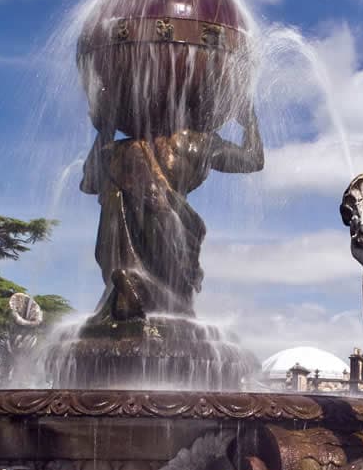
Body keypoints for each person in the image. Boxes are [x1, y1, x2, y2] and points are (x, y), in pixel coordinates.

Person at [80, 105, 262, 323]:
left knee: (170, 291)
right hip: (169, 223)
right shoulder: (201, 142)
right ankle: (136, 286)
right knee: (176, 298)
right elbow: (253, 159)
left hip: (169, 221)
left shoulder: (123, 149)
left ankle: (135, 286)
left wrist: (105, 129)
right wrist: (250, 121)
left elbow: (89, 182)